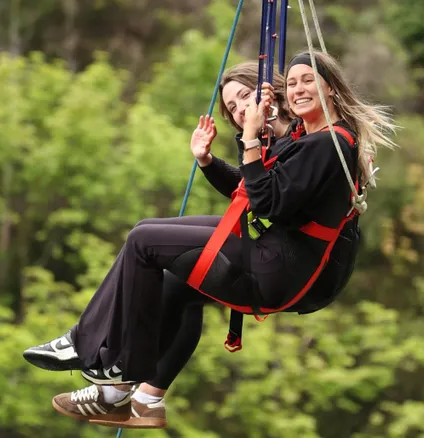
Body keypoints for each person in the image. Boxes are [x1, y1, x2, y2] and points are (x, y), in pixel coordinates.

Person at [26, 52, 397, 429]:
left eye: (308, 81)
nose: (239, 111)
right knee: (170, 276)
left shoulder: (326, 144)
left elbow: (266, 203)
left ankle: (103, 357)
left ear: (330, 89)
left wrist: (252, 136)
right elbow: (253, 190)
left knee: (143, 240)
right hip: (282, 258)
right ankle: (141, 397)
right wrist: (218, 156)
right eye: (295, 82)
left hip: (280, 268)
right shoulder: (310, 138)